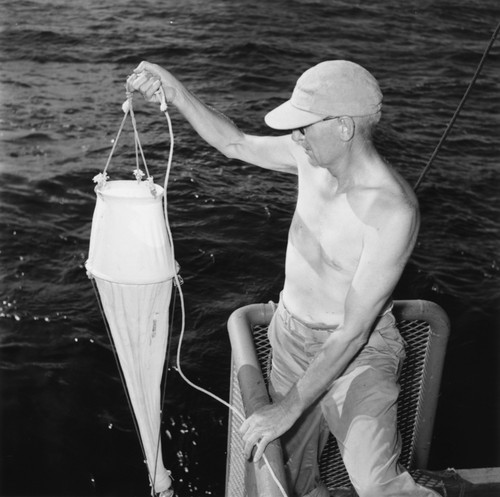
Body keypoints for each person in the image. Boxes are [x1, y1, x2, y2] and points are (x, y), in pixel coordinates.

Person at [128, 60, 439, 497]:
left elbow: (352, 333)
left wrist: (287, 409)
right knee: (288, 478)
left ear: (345, 127)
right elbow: (233, 142)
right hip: (290, 340)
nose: (294, 136)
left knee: (377, 483)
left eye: (303, 126)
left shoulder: (393, 211)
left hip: (360, 356)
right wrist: (175, 92)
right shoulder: (308, 158)